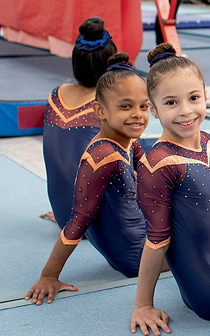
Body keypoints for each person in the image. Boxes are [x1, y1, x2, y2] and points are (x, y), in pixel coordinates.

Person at [25, 55, 150, 305]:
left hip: (140, 241)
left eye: (144, 106)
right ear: (100, 110)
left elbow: (152, 176)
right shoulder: (102, 156)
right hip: (139, 256)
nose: (137, 115)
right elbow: (78, 220)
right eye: (126, 106)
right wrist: (48, 275)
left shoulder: (127, 142)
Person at [131, 45, 210, 335]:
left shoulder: (206, 141)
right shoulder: (158, 164)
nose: (186, 111)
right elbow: (156, 241)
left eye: (193, 98)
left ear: (205, 95)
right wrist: (142, 305)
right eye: (171, 103)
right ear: (153, 109)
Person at [42, 17, 117, 227]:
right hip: (95, 223)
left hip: (63, 214)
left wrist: (64, 211)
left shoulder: (56, 94)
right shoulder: (106, 103)